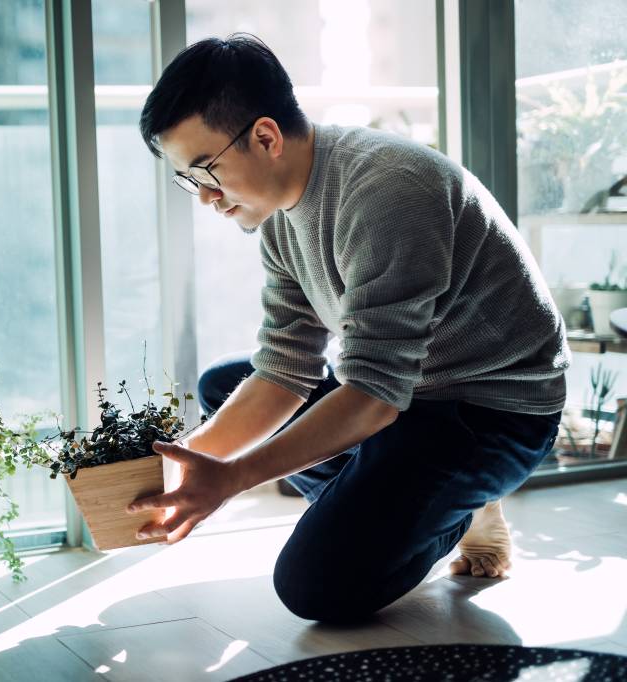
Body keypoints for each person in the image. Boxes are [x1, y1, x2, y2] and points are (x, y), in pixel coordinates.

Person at [125, 34, 569, 623]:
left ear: (265, 136)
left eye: (206, 170)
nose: (204, 197)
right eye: (187, 179)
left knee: (316, 588)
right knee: (222, 387)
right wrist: (187, 460)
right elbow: (285, 366)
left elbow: (373, 395)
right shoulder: (280, 214)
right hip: (406, 396)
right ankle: (404, 498)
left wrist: (232, 478)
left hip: (490, 409)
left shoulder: (390, 192)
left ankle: (455, 507)